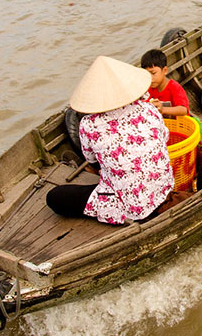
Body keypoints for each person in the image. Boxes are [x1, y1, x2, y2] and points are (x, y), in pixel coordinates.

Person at [47, 56, 174, 224]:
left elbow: (91, 159)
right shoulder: (149, 108)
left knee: (54, 197)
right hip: (164, 188)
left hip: (132, 206)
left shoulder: (89, 124)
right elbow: (164, 138)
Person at [141, 49, 189, 118]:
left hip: (179, 124)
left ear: (165, 71)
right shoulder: (150, 89)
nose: (150, 78)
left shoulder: (174, 87)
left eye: (153, 73)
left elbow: (184, 110)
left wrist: (163, 109)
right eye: (147, 74)